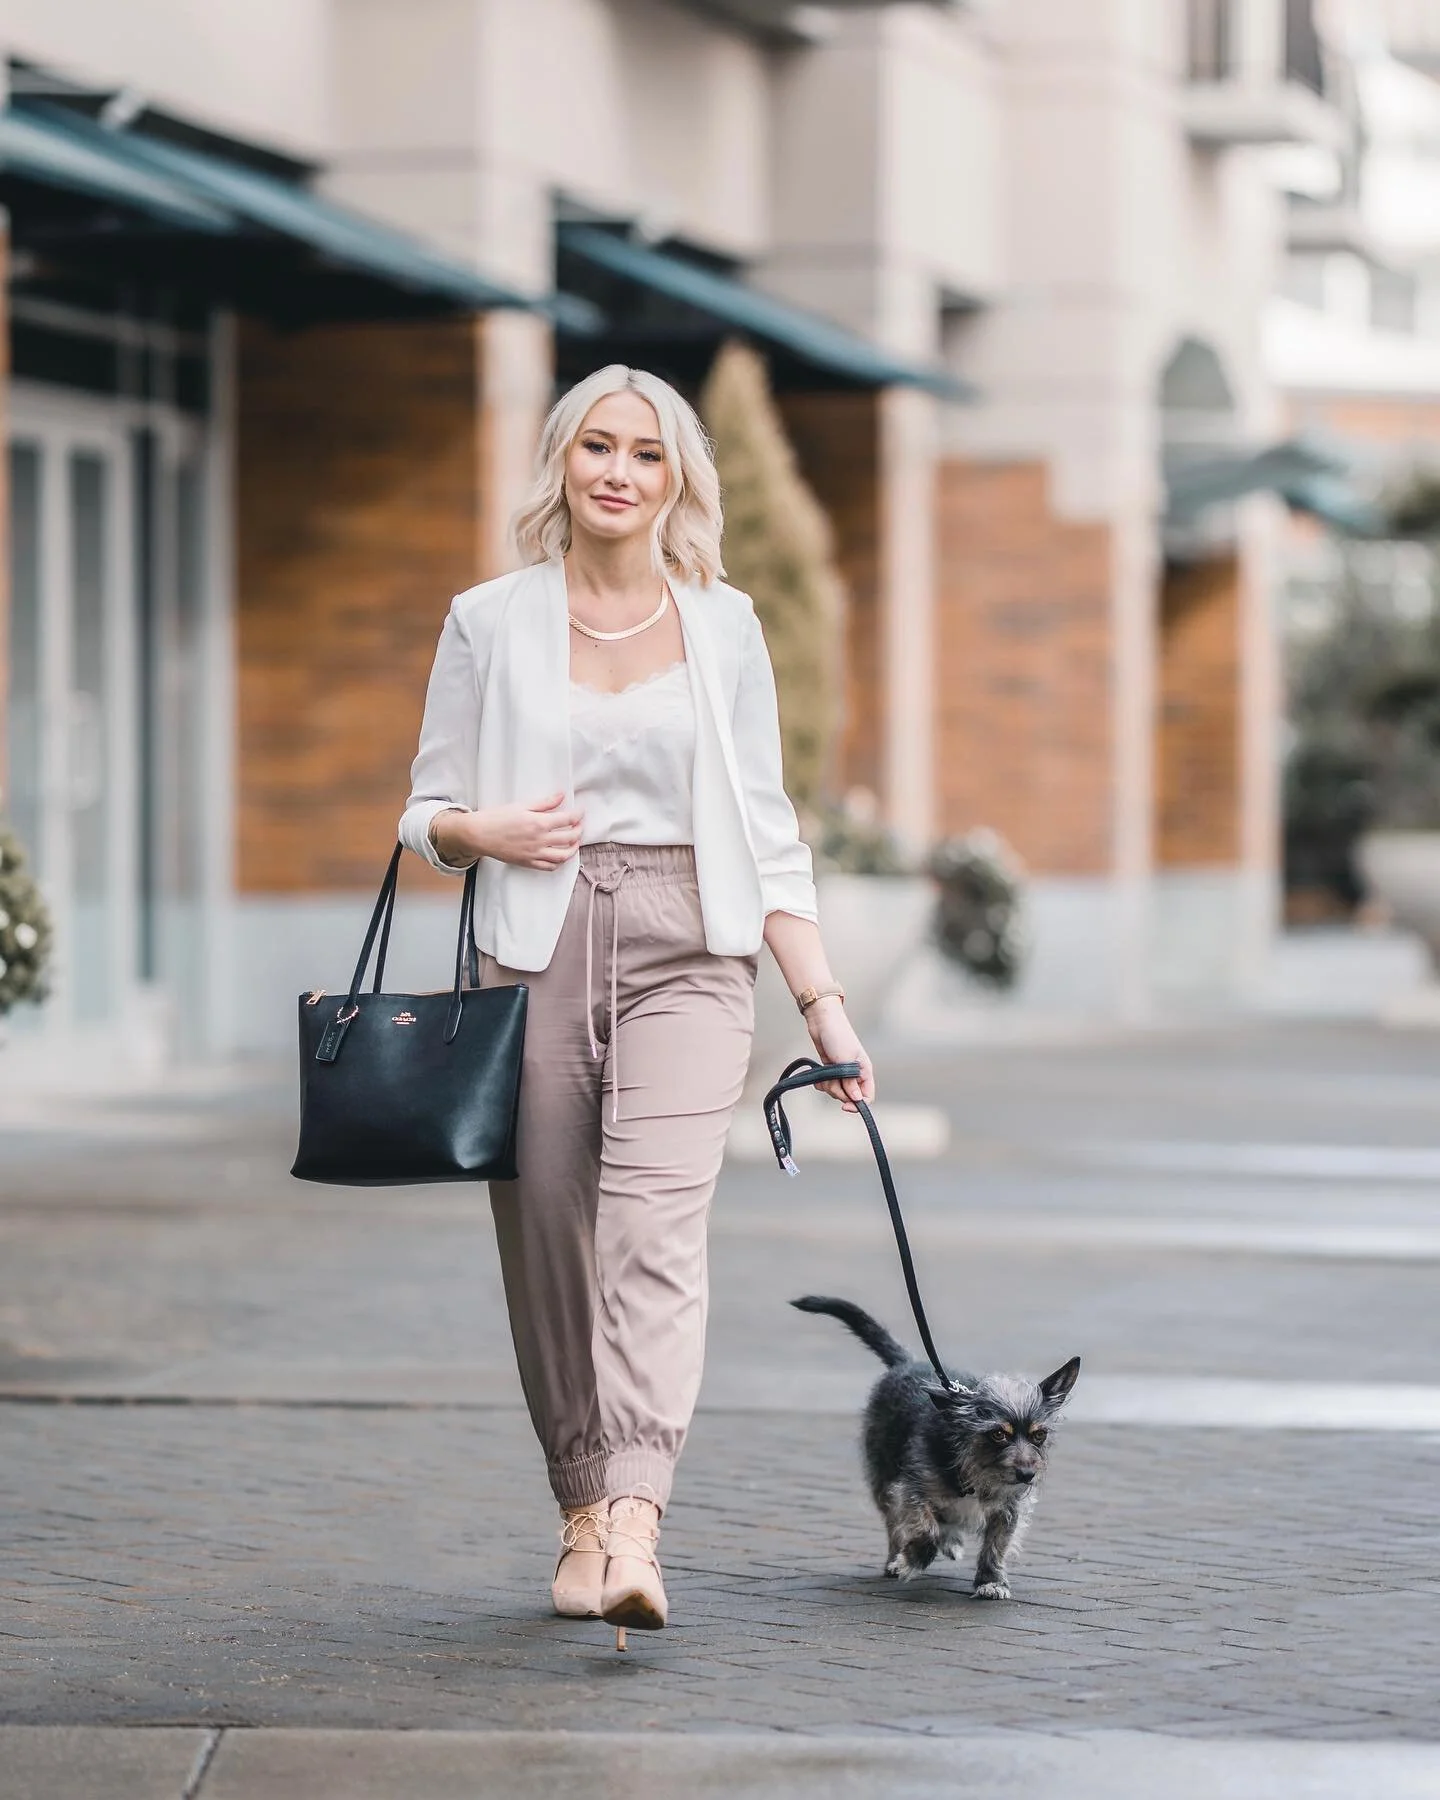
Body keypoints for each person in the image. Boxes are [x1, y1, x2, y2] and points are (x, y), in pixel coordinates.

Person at [399, 363, 874, 1641]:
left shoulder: (726, 626)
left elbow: (769, 833)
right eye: (597, 446)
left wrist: (820, 1000)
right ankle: (576, 1510)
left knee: (653, 1231)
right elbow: (421, 811)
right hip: (534, 949)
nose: (619, 471)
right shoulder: (489, 619)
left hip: (690, 948)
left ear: (678, 480)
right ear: (561, 460)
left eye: (647, 454)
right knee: (548, 1237)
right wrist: (481, 829)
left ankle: (638, 1517)